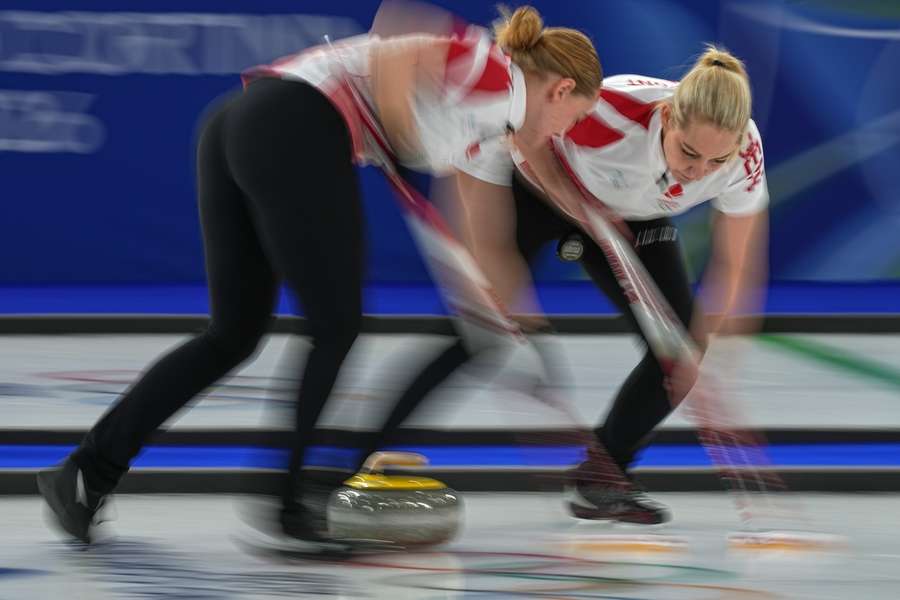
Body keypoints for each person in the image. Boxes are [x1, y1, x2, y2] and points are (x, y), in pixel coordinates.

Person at [36, 4, 602, 545]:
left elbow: (476, 230)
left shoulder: (486, 121)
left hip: (236, 125)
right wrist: (400, 132)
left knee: (233, 335)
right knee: (336, 326)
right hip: (292, 125)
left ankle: (85, 474)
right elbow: (400, 29)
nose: (559, 135)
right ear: (558, 90)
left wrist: (500, 305)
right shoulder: (495, 74)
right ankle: (288, 505)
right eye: (570, 120)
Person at [366, 45, 769, 525]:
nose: (698, 171)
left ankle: (603, 476)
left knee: (680, 353)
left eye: (714, 161)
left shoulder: (744, 153)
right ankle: (361, 457)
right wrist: (562, 210)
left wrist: (721, 347)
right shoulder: (609, 113)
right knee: (483, 331)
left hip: (633, 215)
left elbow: (735, 263)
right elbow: (523, 138)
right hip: (539, 189)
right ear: (666, 116)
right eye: (688, 151)